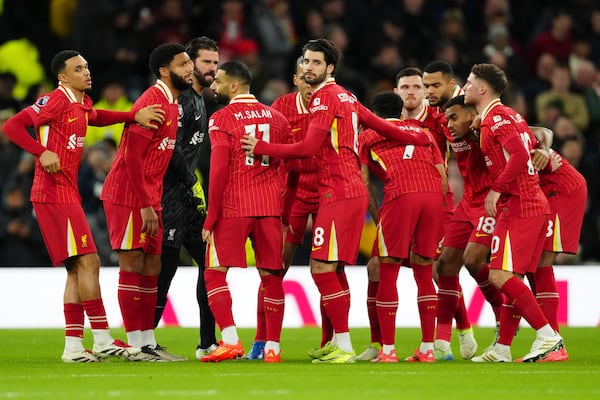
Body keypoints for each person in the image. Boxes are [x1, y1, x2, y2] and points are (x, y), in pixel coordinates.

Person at [241, 38, 432, 364]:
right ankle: (334, 342)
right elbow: (380, 125)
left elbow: (307, 148)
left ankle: (342, 343)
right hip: (341, 191)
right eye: (305, 62)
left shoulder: (325, 98)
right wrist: (416, 135)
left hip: (337, 191)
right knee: (327, 267)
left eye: (316, 62)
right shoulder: (346, 96)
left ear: (329, 67)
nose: (308, 67)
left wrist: (261, 147)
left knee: (321, 267)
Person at [1, 49, 164, 362]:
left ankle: (74, 347)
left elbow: (96, 117)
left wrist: (132, 116)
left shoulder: (80, 103)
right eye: (78, 69)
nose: (86, 72)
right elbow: (11, 127)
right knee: (89, 262)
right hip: (52, 194)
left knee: (77, 270)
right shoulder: (55, 100)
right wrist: (40, 152)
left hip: (66, 192)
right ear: (63, 77)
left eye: (87, 66)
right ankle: (102, 338)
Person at [463, 63, 563, 362]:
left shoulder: (497, 118)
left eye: (468, 83)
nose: (465, 87)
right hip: (521, 203)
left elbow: (520, 155)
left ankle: (548, 337)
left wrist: (497, 189)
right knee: (511, 275)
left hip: (522, 204)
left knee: (499, 274)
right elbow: (533, 144)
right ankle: (503, 348)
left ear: (483, 88)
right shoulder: (503, 116)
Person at [101, 43, 194, 362]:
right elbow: (132, 158)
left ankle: (148, 342)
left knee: (152, 267)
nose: (190, 68)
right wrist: (143, 203)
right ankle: (135, 345)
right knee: (132, 265)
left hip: (150, 197)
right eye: (183, 63)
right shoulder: (152, 101)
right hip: (128, 196)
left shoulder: (174, 104)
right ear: (165, 71)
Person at [199, 60, 294, 363]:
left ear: (233, 85)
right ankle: (273, 348)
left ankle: (230, 340)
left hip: (233, 206)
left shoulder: (222, 118)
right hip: (269, 208)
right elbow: (289, 165)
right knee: (272, 278)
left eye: (218, 81)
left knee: (214, 274)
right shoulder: (278, 118)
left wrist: (211, 216)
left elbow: (218, 170)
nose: (212, 87)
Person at [474, 128, 587, 363]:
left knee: (540, 266)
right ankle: (503, 347)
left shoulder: (497, 124)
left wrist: (544, 149)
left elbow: (543, 131)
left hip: (560, 190)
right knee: (515, 273)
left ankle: (553, 343)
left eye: (454, 118)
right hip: (538, 195)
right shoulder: (486, 132)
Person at [245, 56, 322, 360]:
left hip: (327, 191)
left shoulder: (329, 104)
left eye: (312, 78)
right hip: (291, 195)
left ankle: (330, 340)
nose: (309, 84)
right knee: (274, 269)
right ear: (295, 79)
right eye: (304, 78)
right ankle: (261, 340)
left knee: (330, 270)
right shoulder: (282, 108)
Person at [359, 91, 445, 363]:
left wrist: (378, 214)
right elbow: (443, 178)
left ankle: (387, 350)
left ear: (374, 115)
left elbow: (363, 184)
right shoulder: (425, 133)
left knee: (388, 269)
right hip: (433, 197)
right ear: (401, 111)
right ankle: (428, 348)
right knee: (424, 269)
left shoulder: (367, 136)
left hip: (401, 195)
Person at [152, 36, 220, 361]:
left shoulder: (199, 100)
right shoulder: (179, 102)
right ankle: (143, 342)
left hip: (188, 199)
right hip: (168, 198)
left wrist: (194, 190)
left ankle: (207, 342)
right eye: (206, 62)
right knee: (164, 271)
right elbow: (172, 150)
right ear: (190, 65)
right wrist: (191, 182)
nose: (212, 69)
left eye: (216, 63)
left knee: (210, 265)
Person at [434, 95, 505, 361]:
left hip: (490, 202)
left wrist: (543, 148)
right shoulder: (450, 130)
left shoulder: (489, 128)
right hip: (467, 204)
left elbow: (535, 133)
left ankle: (501, 315)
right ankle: (442, 341)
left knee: (473, 259)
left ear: (471, 115)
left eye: (453, 117)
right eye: (446, 118)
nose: (448, 124)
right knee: (444, 265)